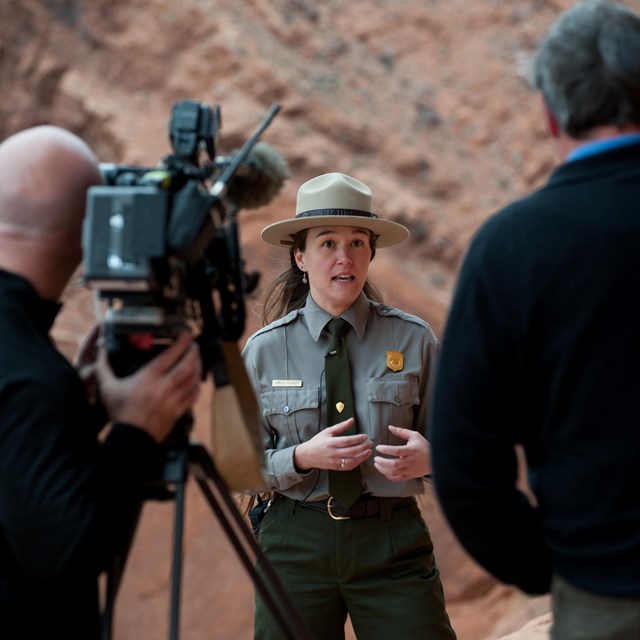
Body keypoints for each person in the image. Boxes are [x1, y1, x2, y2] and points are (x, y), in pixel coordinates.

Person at [429, 2, 640, 638]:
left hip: (604, 596)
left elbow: (465, 466)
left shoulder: (512, 246)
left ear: (550, 116)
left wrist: (547, 563)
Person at [0, 125, 202, 639]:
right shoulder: (33, 377)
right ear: (90, 234)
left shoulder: (28, 369)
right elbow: (65, 559)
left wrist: (82, 410)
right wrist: (134, 433)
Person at [242, 172, 456, 640]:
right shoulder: (262, 351)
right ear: (300, 256)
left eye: (358, 242)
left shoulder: (413, 339)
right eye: (327, 243)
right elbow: (238, 465)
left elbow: (463, 448)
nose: (345, 257)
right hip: (294, 543)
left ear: (371, 254)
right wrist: (301, 457)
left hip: (392, 544)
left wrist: (432, 459)